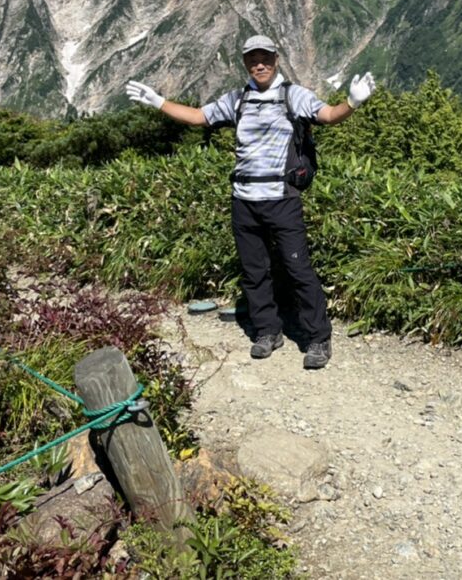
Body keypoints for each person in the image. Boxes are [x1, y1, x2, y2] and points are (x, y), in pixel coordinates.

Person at [125, 35, 375, 370]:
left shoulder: (293, 95)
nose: (259, 64)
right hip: (244, 199)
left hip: (282, 199)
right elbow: (199, 116)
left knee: (298, 268)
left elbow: (327, 115)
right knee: (254, 271)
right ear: (245, 63)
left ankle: (318, 337)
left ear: (276, 60)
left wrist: (353, 104)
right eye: (252, 59)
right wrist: (159, 102)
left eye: (265, 58)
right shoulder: (237, 99)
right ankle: (267, 331)